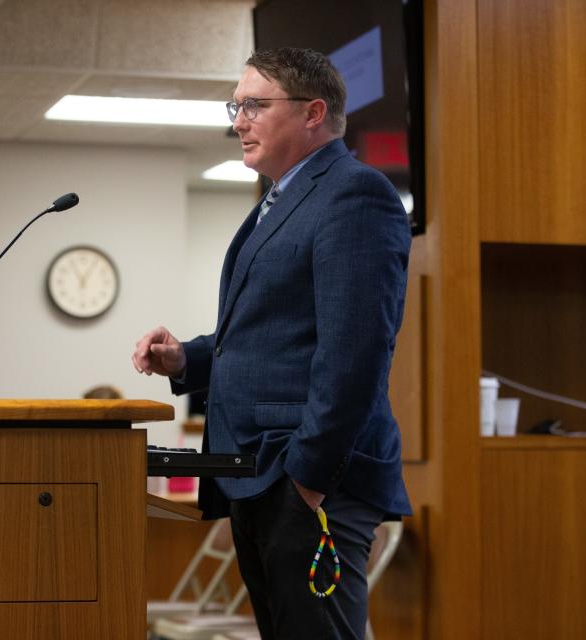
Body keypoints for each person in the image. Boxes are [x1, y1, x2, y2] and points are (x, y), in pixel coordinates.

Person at [131, 48, 412, 640]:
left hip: (307, 478)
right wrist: (187, 357)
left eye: (254, 105)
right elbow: (265, 337)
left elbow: (355, 353)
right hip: (256, 474)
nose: (238, 121)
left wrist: (307, 479)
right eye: (237, 106)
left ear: (313, 112)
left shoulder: (355, 195)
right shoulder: (278, 201)